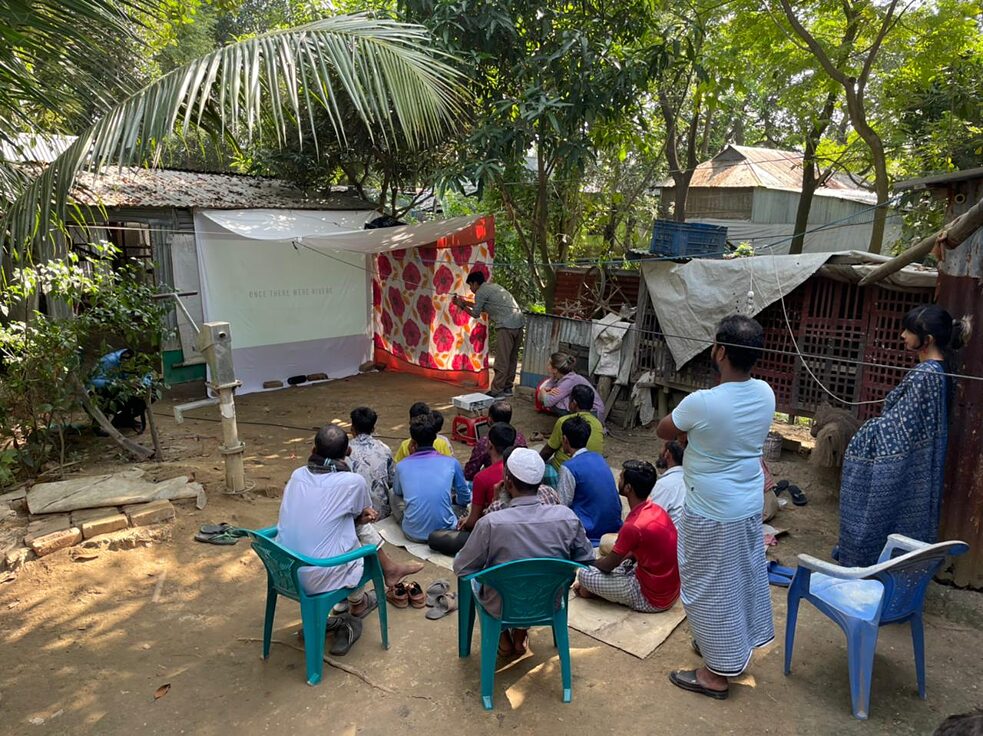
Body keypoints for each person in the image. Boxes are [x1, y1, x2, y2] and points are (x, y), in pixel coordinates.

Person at [657, 314, 776, 700]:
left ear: (720, 351)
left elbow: (664, 429)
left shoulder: (702, 403)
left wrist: (691, 430)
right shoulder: (766, 393)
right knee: (738, 577)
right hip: (747, 505)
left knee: (707, 587)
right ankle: (723, 646)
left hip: (712, 511)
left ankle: (716, 674)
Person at [836, 305, 968, 568]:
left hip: (907, 464)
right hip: (923, 462)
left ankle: (870, 568)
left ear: (927, 340)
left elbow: (895, 430)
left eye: (908, 331)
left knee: (881, 520)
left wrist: (865, 432)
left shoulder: (925, 375)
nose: (902, 336)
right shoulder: (941, 370)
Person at [276, 425, 422, 653]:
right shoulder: (352, 481)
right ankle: (361, 599)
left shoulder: (297, 475)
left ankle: (386, 572)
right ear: (348, 452)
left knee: (350, 528)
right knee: (359, 539)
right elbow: (359, 517)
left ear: (313, 450)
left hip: (283, 569)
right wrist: (362, 517)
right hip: (318, 576)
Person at [453, 447, 594, 657]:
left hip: (502, 605)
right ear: (539, 482)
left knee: (491, 574)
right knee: (532, 573)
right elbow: (586, 557)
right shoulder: (567, 517)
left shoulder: (490, 522)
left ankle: (502, 637)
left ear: (508, 482)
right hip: (548, 601)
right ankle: (520, 635)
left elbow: (462, 568)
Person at [574, 460, 680, 613]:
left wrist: (588, 563)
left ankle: (593, 589)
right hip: (670, 590)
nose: (619, 479)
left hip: (651, 599)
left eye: (622, 477)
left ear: (628, 487)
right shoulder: (656, 509)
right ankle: (597, 588)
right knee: (616, 556)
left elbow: (607, 566)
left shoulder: (633, 525)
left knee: (584, 574)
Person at [427, 422, 516, 555]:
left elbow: (473, 522)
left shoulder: (482, 477)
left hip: (491, 536)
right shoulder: (520, 471)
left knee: (435, 538)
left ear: (489, 445)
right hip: (514, 531)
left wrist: (466, 521)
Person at [391, 413, 470, 542]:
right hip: (446, 531)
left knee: (392, 493)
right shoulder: (451, 463)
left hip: (413, 533)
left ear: (413, 442)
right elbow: (465, 498)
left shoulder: (401, 465)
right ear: (435, 437)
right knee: (459, 498)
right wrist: (455, 500)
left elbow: (398, 492)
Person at [452, 270, 524, 397]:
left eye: (470, 285)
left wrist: (462, 306)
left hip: (506, 326)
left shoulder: (480, 292)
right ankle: (507, 387)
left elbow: (476, 313)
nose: (471, 289)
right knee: (512, 358)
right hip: (519, 323)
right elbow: (481, 306)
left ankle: (497, 391)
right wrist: (465, 302)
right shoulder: (493, 287)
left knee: (502, 360)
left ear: (475, 283)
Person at [554, 416, 622, 544]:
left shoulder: (569, 467)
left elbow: (562, 506)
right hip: (613, 526)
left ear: (565, 439)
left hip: (589, 532)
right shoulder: (599, 458)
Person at [88, 348, 154, 433]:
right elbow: (93, 382)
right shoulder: (108, 361)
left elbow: (148, 375)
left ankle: (123, 419)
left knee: (150, 395)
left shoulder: (136, 361)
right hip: (100, 393)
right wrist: (119, 383)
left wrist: (142, 383)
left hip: (123, 389)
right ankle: (99, 423)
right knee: (107, 397)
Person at [540, 384, 605, 471]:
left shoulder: (564, 421)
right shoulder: (598, 424)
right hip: (591, 470)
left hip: (565, 470)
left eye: (569, 400)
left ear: (574, 403)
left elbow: (547, 451)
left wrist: (536, 464)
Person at [348, 406, 395, 518]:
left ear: (352, 428)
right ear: (373, 429)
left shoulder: (343, 450)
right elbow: (392, 481)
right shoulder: (384, 449)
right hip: (380, 514)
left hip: (354, 516)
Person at [463, 400, 527, 480]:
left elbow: (469, 473)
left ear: (490, 419)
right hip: (517, 478)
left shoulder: (485, 442)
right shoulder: (520, 437)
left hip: (494, 479)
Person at [538, 352, 605, 417]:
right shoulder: (561, 375)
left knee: (554, 404)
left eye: (549, 364)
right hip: (584, 408)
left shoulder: (569, 380)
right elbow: (547, 389)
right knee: (550, 399)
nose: (547, 365)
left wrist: (543, 390)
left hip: (594, 412)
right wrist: (548, 392)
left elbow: (548, 402)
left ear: (555, 370)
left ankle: (574, 421)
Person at [652, 440, 686, 529]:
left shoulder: (664, 485)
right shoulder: (692, 480)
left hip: (673, 536)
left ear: (667, 454)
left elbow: (652, 520)